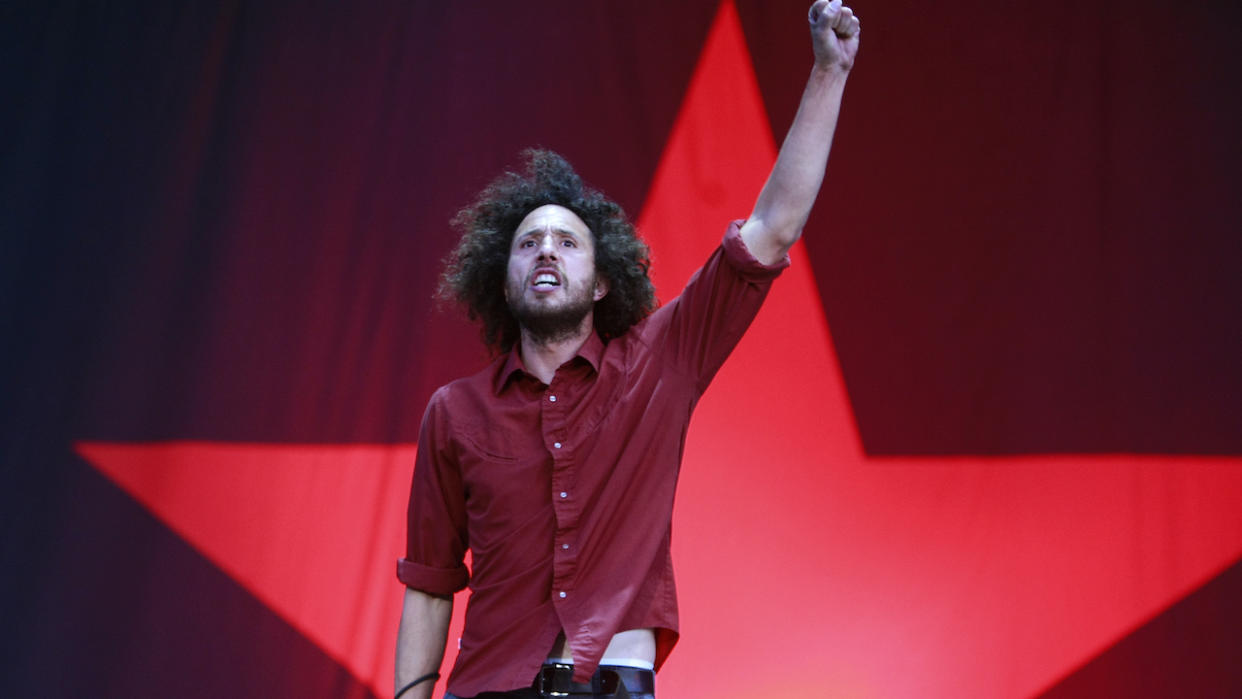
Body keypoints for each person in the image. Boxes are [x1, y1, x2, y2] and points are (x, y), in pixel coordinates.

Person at [395, 2, 860, 697]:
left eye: (566, 241)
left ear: (602, 280)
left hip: (614, 681)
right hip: (485, 686)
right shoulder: (454, 413)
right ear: (503, 277)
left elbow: (772, 228)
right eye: (528, 243)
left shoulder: (662, 358)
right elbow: (431, 584)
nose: (546, 249)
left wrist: (829, 71)